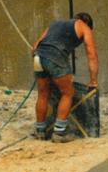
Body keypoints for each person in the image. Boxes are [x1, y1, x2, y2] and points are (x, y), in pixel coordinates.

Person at [32, 13, 98, 143]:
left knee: (43, 93)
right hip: (56, 56)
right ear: (87, 23)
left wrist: (45, 67)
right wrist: (93, 80)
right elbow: (91, 54)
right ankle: (59, 133)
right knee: (68, 93)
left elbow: (35, 47)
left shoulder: (54, 24)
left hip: (38, 57)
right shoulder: (83, 27)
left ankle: (40, 131)